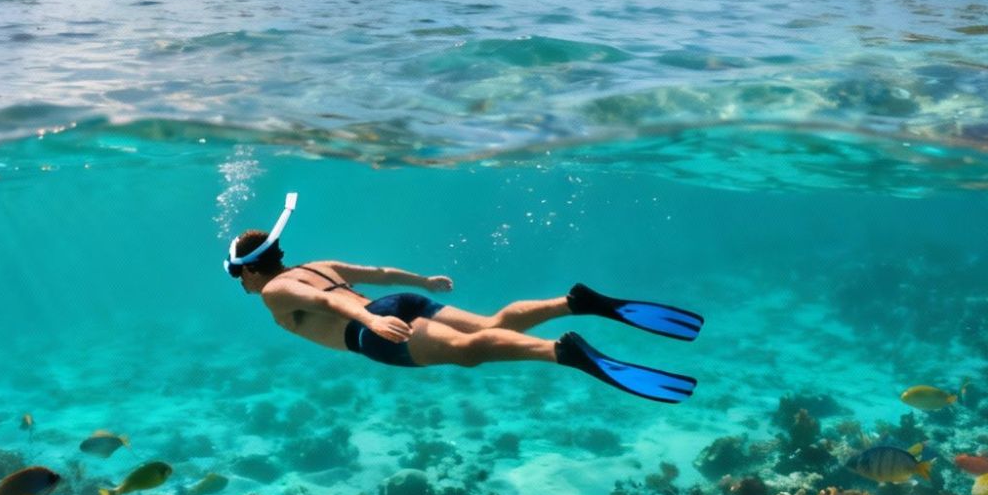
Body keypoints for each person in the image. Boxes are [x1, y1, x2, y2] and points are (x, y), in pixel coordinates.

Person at [224, 195, 701, 403]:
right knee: (496, 325)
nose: (240, 284)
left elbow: (332, 306)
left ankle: (565, 353)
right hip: (400, 302)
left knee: (469, 353)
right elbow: (377, 272)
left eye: (236, 276)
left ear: (247, 268)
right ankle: (575, 302)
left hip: (374, 328)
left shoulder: (274, 290)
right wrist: (424, 281)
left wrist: (368, 322)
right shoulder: (315, 265)